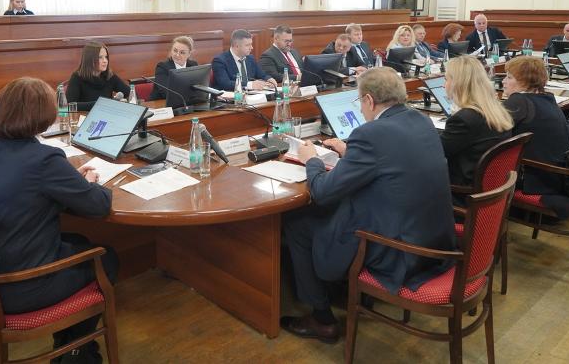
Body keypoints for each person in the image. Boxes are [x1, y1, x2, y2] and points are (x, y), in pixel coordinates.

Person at [280, 68, 455, 342]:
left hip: (399, 252)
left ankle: (321, 319)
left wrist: (311, 159)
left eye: (359, 102)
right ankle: (337, 288)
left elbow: (322, 192)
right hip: (433, 240)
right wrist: (350, 153)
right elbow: (392, 160)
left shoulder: (371, 133)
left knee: (297, 223)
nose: (360, 110)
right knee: (334, 210)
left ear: (370, 100)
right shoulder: (419, 120)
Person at [0, 77, 116, 364]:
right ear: (42, 115)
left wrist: (69, 183)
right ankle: (74, 350)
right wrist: (87, 184)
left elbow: (25, 192)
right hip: (22, 286)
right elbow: (99, 206)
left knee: (79, 240)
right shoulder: (44, 159)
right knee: (107, 257)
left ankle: (67, 342)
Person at [502, 56, 569, 219]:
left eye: (509, 77)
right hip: (557, 177)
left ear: (524, 81)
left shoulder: (519, 101)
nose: (503, 82)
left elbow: (489, 129)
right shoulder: (547, 98)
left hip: (537, 179)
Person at [440, 56, 513, 186]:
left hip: (464, 189)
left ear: (458, 83)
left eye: (446, 79)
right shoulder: (496, 109)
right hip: (493, 186)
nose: (443, 85)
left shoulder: (463, 119)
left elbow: (437, 152)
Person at [66, 42, 130, 111]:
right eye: (100, 57)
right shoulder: (77, 77)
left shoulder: (110, 76)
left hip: (105, 115)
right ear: (89, 59)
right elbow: (69, 105)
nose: (105, 61)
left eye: (106, 57)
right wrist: (99, 104)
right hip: (85, 116)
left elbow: (129, 93)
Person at [212, 29, 277, 91]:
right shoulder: (219, 61)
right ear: (236, 46)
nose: (251, 48)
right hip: (230, 96)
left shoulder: (250, 58)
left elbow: (262, 75)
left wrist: (269, 79)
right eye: (247, 45)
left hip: (251, 95)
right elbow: (225, 84)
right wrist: (250, 85)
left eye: (251, 44)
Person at [149, 36, 199, 100]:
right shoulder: (162, 67)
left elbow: (198, 87)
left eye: (182, 52)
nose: (177, 55)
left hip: (187, 102)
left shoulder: (193, 65)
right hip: (161, 103)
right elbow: (167, 93)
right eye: (175, 51)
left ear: (189, 54)